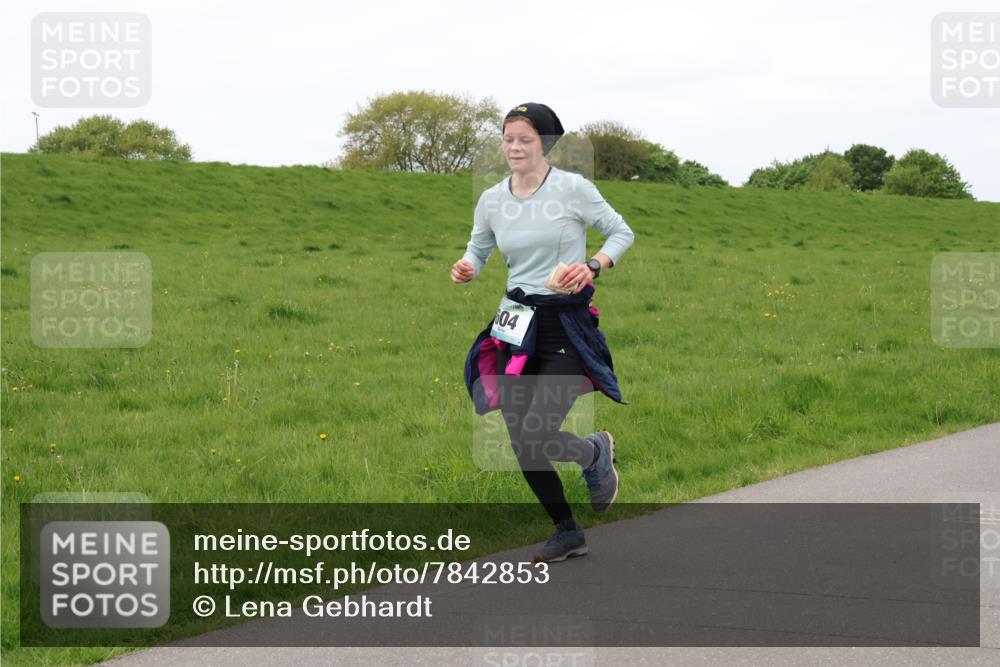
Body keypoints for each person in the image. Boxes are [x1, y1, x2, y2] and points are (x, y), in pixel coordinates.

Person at [452, 102, 635, 563]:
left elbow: (620, 232)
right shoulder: (492, 198)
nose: (514, 147)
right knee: (521, 437)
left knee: (536, 428)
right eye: (508, 139)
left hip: (565, 325)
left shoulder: (573, 189)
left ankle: (592, 456)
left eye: (524, 140)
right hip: (514, 325)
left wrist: (593, 265)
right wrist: (468, 266)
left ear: (545, 144)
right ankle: (567, 528)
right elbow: (480, 245)